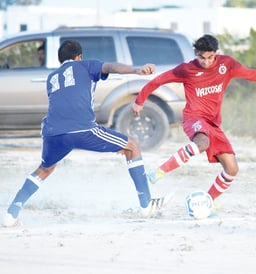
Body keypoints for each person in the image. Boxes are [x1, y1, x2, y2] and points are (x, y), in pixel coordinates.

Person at [2, 40, 168, 227]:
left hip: (51, 132)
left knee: (45, 169)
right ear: (79, 57)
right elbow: (110, 66)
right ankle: (146, 205)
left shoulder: (52, 77)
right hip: (81, 128)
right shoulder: (86, 65)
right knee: (132, 146)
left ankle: (12, 212)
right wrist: (136, 70)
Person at [133, 34, 256, 215]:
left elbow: (250, 73)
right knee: (202, 143)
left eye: (210, 57)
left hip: (213, 123)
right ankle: (158, 173)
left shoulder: (226, 64)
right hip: (194, 117)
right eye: (202, 57)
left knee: (232, 168)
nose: (206, 61)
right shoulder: (186, 69)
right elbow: (157, 81)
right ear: (196, 53)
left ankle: (207, 202)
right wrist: (140, 101)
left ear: (216, 53)